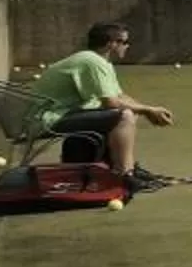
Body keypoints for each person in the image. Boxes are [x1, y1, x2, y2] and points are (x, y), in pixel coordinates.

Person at [29, 20, 176, 191]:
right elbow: (112, 103)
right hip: (46, 120)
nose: (127, 46)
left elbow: (119, 96)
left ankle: (127, 169)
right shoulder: (92, 62)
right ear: (111, 43)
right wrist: (148, 110)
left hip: (59, 115)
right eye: (124, 42)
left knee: (127, 111)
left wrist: (147, 109)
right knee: (124, 115)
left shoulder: (98, 62)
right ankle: (124, 175)